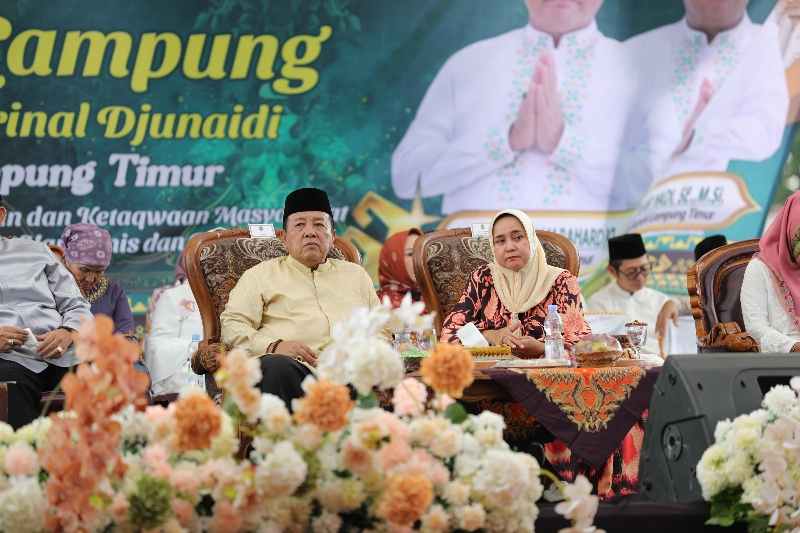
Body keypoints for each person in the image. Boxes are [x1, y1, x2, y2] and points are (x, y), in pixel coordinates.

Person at [392, 0, 638, 214]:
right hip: (475, 262)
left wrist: (564, 143)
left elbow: (650, 188)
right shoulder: (468, 64)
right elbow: (406, 177)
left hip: (593, 264)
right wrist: (506, 141)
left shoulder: (638, 70)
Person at [221, 188, 382, 403]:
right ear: (285, 238)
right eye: (299, 225)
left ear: (332, 236)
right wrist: (274, 346)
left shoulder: (356, 275)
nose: (310, 232)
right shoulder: (259, 276)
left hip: (352, 372)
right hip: (294, 373)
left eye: (319, 224)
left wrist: (364, 352)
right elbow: (233, 325)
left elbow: (383, 327)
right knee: (275, 367)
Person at [624, 0, 788, 181]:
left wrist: (698, 134)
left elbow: (765, 131)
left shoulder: (761, 42)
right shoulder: (640, 47)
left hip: (701, 198)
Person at [440, 209, 590, 357]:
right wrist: (491, 335)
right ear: (493, 247)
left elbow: (583, 345)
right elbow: (449, 335)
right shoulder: (483, 278)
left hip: (547, 375)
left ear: (531, 239)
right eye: (500, 241)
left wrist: (543, 348)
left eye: (518, 237)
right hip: (490, 375)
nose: (510, 247)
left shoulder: (561, 281)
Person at [0, 204, 93, 428]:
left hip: (64, 353)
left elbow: (77, 304)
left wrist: (69, 331)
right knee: (8, 381)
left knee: (106, 381)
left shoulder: (35, 250)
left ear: (1, 215)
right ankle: (22, 461)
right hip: (10, 359)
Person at [587, 234, 679, 355]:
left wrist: (673, 303)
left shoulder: (661, 300)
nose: (640, 277)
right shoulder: (598, 302)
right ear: (612, 271)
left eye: (644, 268)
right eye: (631, 272)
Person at [741, 191, 800, 353]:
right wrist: (793, 346)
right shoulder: (759, 269)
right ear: (788, 230)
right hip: (781, 361)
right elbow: (756, 328)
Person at [144, 251, 204, 396]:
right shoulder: (172, 296)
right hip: (186, 373)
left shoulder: (238, 294)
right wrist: (199, 348)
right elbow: (157, 346)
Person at [60, 224, 135, 338]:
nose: (90, 279)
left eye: (99, 271)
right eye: (84, 269)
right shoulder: (51, 287)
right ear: (66, 259)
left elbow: (126, 333)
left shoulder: (113, 291)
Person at [377, 228, 424, 308]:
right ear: (392, 260)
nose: (420, 258)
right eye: (410, 254)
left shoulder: (437, 296)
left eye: (423, 252)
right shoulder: (381, 306)